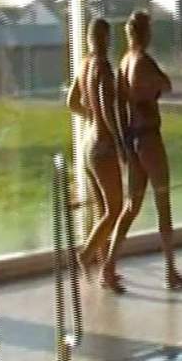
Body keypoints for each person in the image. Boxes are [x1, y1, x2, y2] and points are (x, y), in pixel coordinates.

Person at [105, 10, 182, 291]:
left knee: (132, 207)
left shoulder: (124, 62)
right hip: (149, 137)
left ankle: (109, 266)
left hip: (133, 138)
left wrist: (123, 142)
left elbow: (120, 106)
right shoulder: (144, 60)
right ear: (146, 32)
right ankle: (170, 271)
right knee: (163, 203)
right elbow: (166, 84)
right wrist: (152, 91)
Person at [66, 17, 125, 290]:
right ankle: (86, 254)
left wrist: (90, 116)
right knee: (115, 209)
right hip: (103, 145)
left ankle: (105, 271)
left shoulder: (84, 64)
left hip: (87, 143)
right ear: (106, 38)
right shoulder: (102, 66)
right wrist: (120, 142)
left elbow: (71, 102)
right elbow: (107, 107)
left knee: (103, 209)